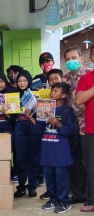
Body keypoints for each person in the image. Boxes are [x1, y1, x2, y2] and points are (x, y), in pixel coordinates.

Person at [28, 82, 75, 213]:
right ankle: (53, 198)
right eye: (52, 90)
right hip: (47, 149)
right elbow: (37, 130)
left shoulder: (66, 111)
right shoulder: (45, 108)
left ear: (63, 95)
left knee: (61, 176)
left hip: (61, 150)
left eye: (56, 91)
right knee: (49, 176)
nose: (52, 93)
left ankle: (64, 200)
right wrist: (34, 115)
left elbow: (70, 132)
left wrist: (58, 124)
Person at [62, 46, 87, 204]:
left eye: (74, 58)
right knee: (75, 159)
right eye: (68, 59)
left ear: (81, 58)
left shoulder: (89, 75)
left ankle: (89, 194)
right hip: (72, 123)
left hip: (87, 122)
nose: (71, 61)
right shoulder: (64, 79)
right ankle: (78, 194)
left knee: (88, 160)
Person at [13, 71, 41, 198]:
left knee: (33, 157)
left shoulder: (35, 95)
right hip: (19, 126)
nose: (22, 83)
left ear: (29, 81)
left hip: (32, 125)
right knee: (20, 158)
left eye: (24, 80)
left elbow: (42, 114)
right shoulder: (13, 95)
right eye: (19, 81)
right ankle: (21, 187)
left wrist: (35, 109)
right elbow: (10, 114)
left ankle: (32, 186)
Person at [75, 49, 94, 211]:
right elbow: (79, 99)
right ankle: (92, 201)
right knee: (91, 166)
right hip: (91, 130)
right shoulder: (87, 78)